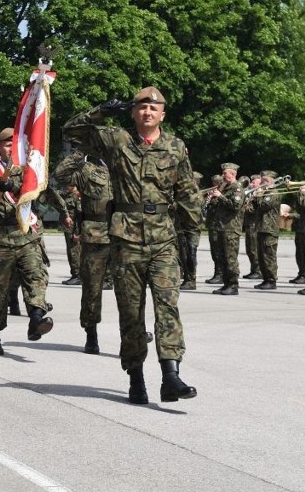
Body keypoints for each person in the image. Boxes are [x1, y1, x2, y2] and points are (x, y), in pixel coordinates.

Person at [64, 86, 200, 405]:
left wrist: (191, 232)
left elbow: (188, 193)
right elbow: (72, 130)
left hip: (164, 240)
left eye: (154, 108)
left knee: (168, 306)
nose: (147, 112)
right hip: (125, 239)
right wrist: (101, 110)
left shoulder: (175, 147)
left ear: (163, 114)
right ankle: (136, 378)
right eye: (141, 107)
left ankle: (170, 376)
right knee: (131, 313)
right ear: (133, 112)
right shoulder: (116, 140)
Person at [0, 127, 55, 356]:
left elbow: (43, 197)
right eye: (7, 144)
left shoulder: (32, 171)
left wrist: (15, 187)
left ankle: (36, 317)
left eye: (15, 143)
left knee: (36, 277)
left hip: (27, 233)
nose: (12, 147)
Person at [55, 150, 113, 354]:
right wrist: (80, 152)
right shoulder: (87, 170)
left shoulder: (126, 165)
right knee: (92, 289)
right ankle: (91, 333)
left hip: (125, 234)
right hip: (95, 234)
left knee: (131, 290)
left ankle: (133, 335)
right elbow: (60, 175)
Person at [209, 162, 244, 295]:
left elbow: (235, 206)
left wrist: (220, 196)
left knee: (230, 258)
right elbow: (216, 206)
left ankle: (233, 285)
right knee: (222, 257)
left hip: (231, 228)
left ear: (233, 174)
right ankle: (225, 284)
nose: (223, 176)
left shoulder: (237, 189)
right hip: (221, 227)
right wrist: (213, 198)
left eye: (225, 173)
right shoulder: (225, 187)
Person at [253, 170, 282, 290]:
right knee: (261, 256)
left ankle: (271, 280)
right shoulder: (265, 193)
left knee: (269, 256)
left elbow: (264, 206)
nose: (263, 183)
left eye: (266, 181)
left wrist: (258, 195)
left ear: (272, 181)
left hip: (270, 229)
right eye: (262, 181)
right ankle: (265, 279)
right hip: (262, 228)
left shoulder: (273, 193)